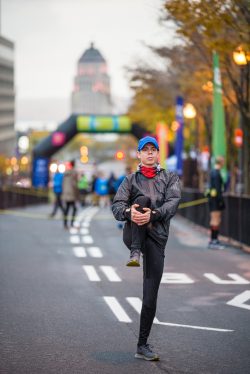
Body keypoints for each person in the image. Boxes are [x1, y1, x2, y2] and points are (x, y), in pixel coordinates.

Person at [112, 136, 181, 361]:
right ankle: (134, 251)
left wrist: (153, 214)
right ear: (139, 154)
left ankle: (142, 345)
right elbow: (117, 204)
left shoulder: (170, 177)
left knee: (150, 297)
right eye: (146, 150)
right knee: (141, 199)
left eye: (154, 150)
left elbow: (173, 203)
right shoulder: (130, 179)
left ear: (158, 154)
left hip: (157, 240)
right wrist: (128, 213)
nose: (150, 153)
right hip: (133, 235)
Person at [207, 156, 226, 249]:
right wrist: (221, 201)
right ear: (221, 162)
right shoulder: (216, 173)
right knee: (216, 220)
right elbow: (218, 189)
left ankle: (213, 240)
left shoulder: (212, 172)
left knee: (214, 219)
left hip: (212, 199)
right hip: (216, 200)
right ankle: (214, 241)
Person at [62, 160, 78, 229]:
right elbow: (74, 184)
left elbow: (63, 183)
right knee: (74, 209)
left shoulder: (65, 172)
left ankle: (65, 224)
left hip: (66, 193)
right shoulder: (74, 172)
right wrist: (77, 195)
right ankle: (71, 223)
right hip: (72, 193)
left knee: (67, 208)